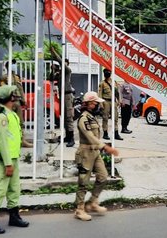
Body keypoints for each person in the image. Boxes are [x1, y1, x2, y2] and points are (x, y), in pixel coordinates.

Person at [0, 85, 30, 234]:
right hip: (2, 159)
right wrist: (8, 163)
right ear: (10, 98)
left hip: (12, 157)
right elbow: (2, 141)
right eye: (14, 94)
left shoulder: (11, 114)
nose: (16, 96)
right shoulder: (2, 116)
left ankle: (14, 216)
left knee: (14, 188)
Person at [74, 91, 119, 221]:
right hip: (86, 153)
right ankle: (79, 209)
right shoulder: (83, 118)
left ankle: (93, 202)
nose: (98, 105)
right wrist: (105, 147)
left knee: (103, 176)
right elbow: (90, 137)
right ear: (89, 104)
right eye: (96, 103)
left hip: (95, 152)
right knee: (83, 182)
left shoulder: (92, 117)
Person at [0, 59, 33, 148]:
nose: (14, 66)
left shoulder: (16, 77)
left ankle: (22, 140)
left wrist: (24, 100)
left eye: (14, 64)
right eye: (12, 64)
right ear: (7, 67)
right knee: (7, 122)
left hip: (17, 102)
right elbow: (3, 90)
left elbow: (20, 89)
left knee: (20, 122)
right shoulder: (4, 77)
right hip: (8, 102)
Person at [50, 47, 76, 147]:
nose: (63, 65)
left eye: (65, 63)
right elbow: (51, 78)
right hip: (62, 96)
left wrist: (55, 54)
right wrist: (53, 70)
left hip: (68, 96)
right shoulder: (60, 74)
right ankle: (68, 136)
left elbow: (61, 63)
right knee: (64, 117)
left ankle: (72, 138)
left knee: (69, 117)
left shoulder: (68, 71)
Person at [98, 68, 123, 141]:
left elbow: (117, 92)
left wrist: (119, 100)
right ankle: (105, 133)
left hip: (113, 102)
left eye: (108, 72)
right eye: (106, 72)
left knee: (115, 118)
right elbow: (100, 94)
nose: (107, 73)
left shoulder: (114, 82)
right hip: (105, 102)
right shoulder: (102, 83)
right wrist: (101, 103)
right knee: (105, 118)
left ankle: (116, 133)